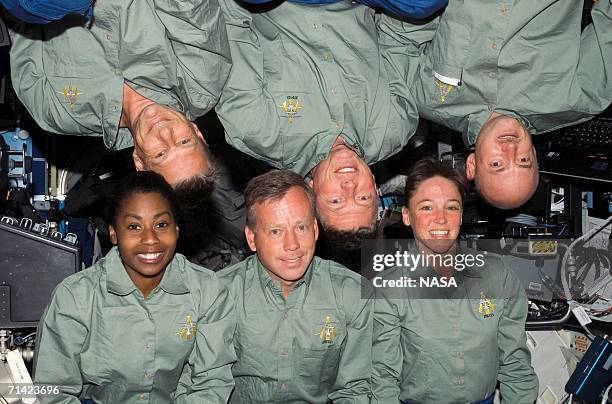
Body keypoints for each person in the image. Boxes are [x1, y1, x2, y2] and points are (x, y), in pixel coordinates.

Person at [215, 0, 446, 248]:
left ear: (311, 191)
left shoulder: (259, 131)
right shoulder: (396, 126)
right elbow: (400, 37)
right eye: (363, 197)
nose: (350, 186)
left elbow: (231, 25)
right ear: (375, 187)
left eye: (336, 200)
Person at [378, 0, 612, 209]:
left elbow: (395, 37)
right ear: (534, 155)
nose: (511, 148)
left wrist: (435, 10)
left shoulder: (427, 98)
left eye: (497, 163)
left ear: (472, 165)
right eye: (523, 160)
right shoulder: (574, 100)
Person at [33, 171, 237, 403]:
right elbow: (53, 392)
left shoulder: (207, 290)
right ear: (113, 233)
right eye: (133, 226)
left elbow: (211, 382)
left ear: (177, 230)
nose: (150, 239)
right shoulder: (75, 298)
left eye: (161, 224)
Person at [7, 0, 230, 191]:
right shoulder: (201, 80)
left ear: (139, 162)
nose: (165, 133)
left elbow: (20, 27)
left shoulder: (61, 114)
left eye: (161, 153)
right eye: (183, 141)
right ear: (198, 133)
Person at [371, 157, 538, 403]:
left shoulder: (496, 274)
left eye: (451, 207)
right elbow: (382, 379)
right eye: (427, 207)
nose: (441, 219)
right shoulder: (388, 290)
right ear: (407, 216)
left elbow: (515, 362)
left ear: (461, 215)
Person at [217, 169, 374, 403]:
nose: (292, 245)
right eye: (275, 231)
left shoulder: (351, 293)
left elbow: (356, 389)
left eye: (300, 227)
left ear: (315, 229)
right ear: (251, 238)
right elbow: (205, 382)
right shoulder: (220, 294)